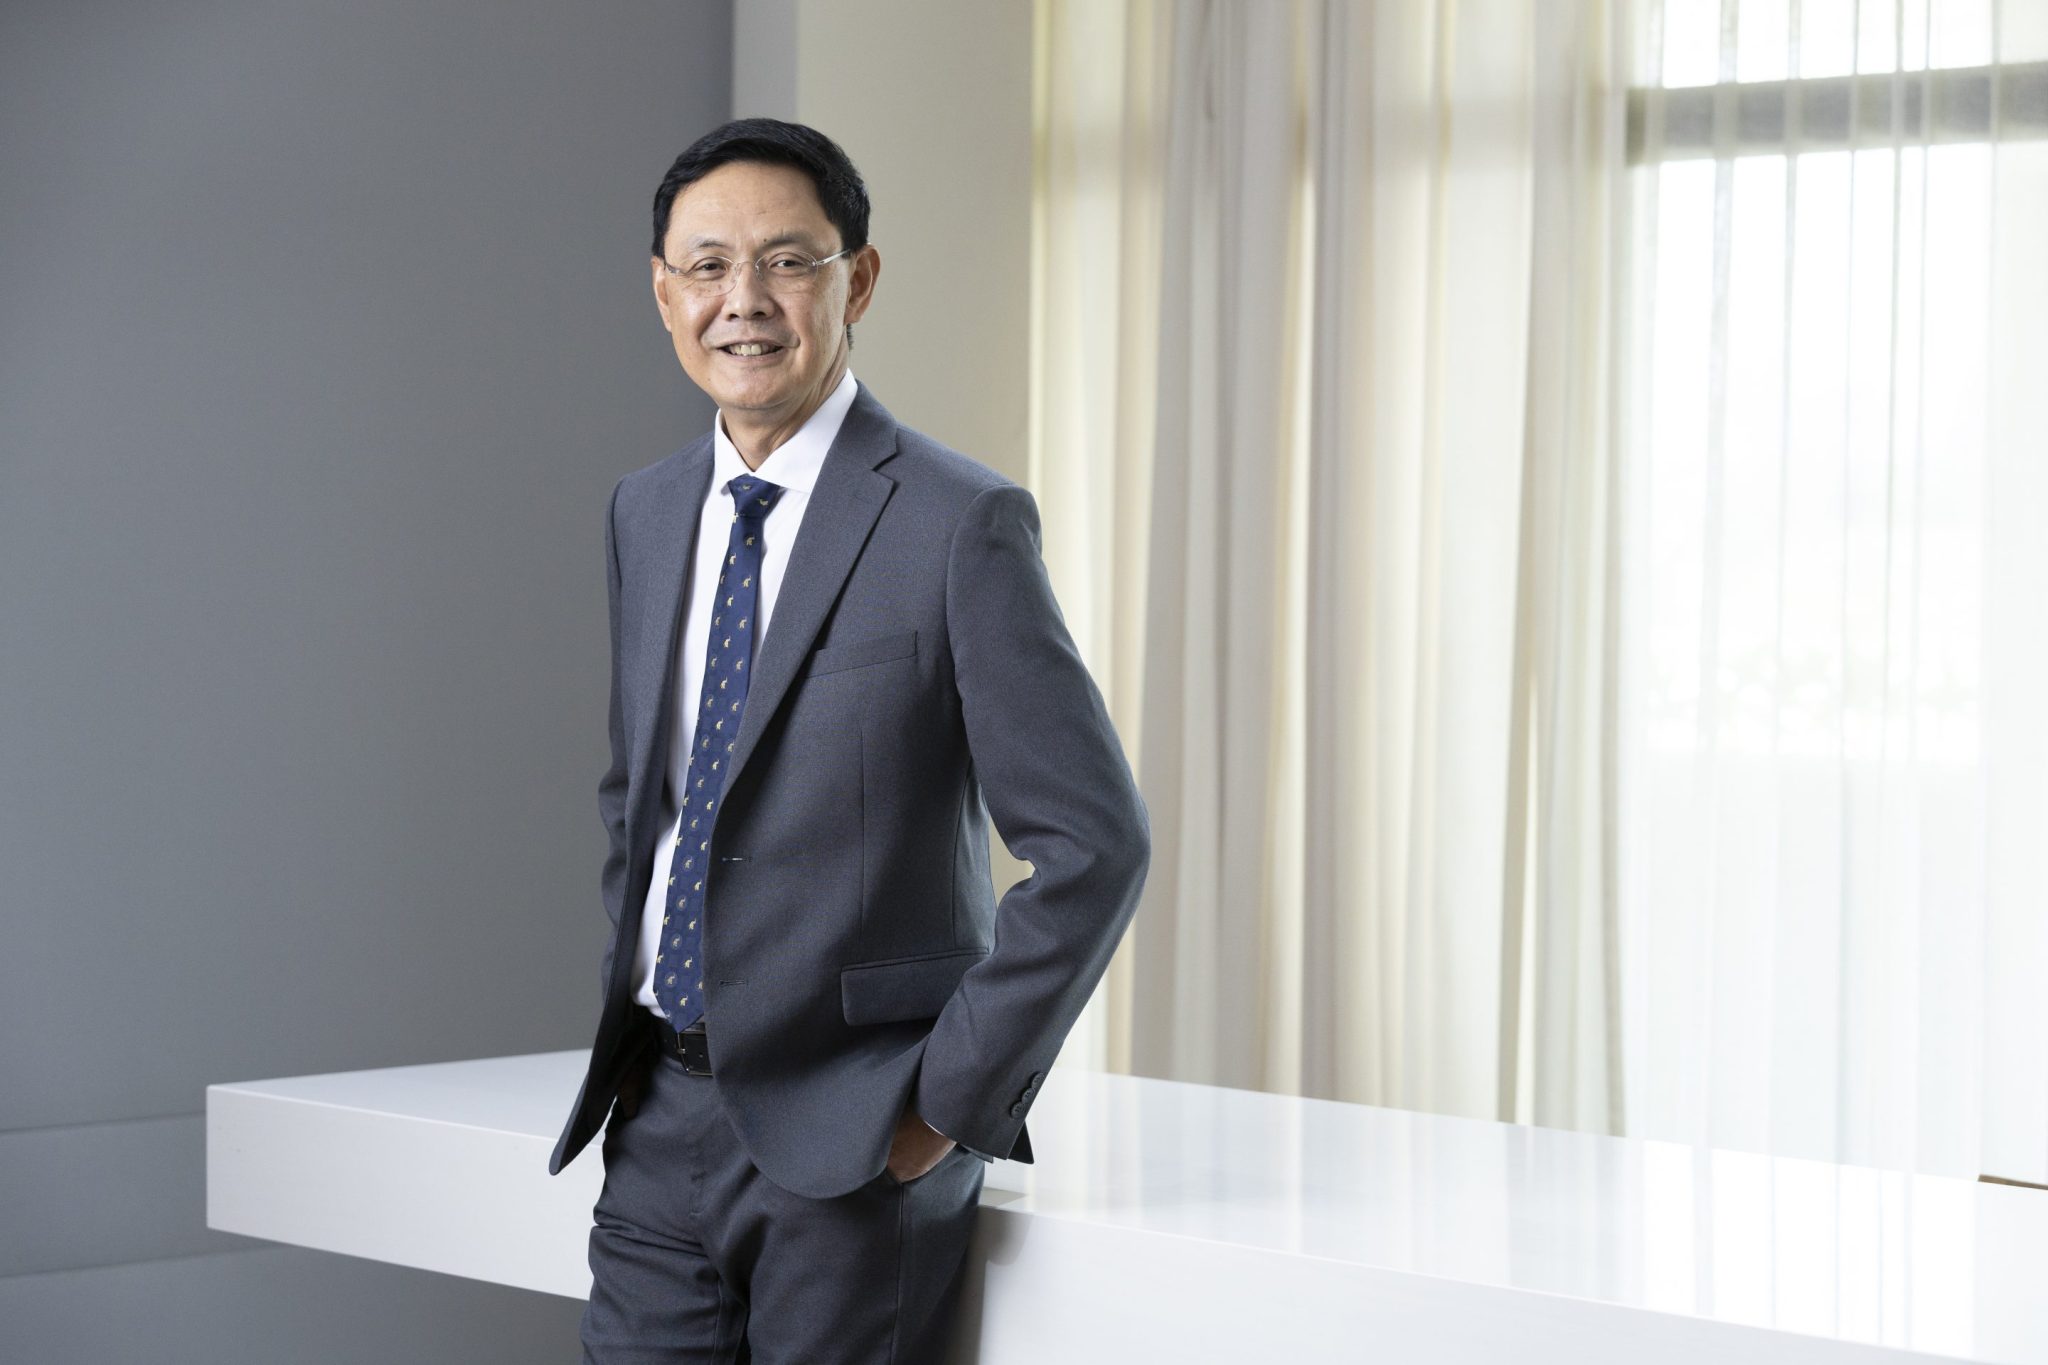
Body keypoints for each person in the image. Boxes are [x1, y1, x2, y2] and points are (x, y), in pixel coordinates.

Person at [546, 117, 1152, 1364]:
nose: (743, 301)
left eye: (787, 261)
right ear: (663, 294)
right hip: (655, 1121)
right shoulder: (645, 512)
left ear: (856, 280)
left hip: (855, 1145)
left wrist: (942, 1107)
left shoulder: (957, 523)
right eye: (707, 267)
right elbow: (643, 800)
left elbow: (1094, 845)